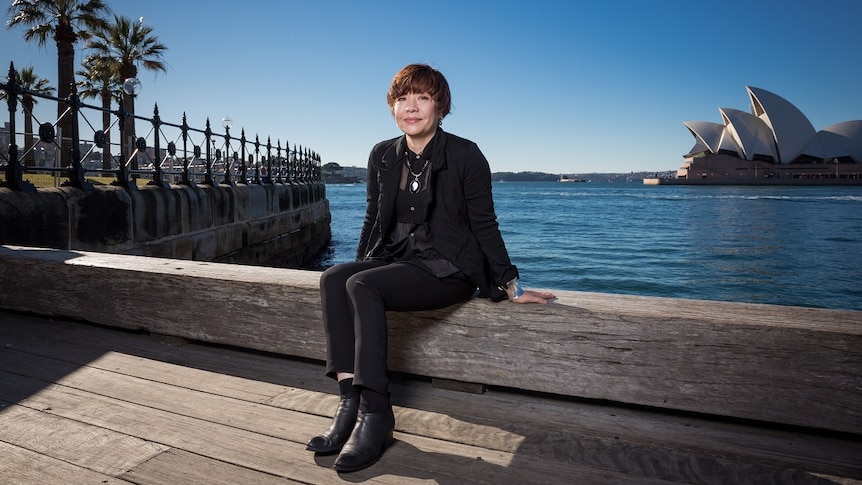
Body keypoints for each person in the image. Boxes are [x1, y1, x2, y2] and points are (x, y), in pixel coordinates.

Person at [306, 63, 556, 473]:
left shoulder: (465, 154)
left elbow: (485, 224)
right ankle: (349, 402)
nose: (411, 107)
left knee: (362, 287)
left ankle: (377, 415)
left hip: (448, 268)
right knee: (336, 278)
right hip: (396, 259)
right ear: (392, 107)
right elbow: (373, 218)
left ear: (440, 106)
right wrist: (360, 263)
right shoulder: (383, 154)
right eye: (402, 98)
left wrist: (510, 285)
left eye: (422, 97)